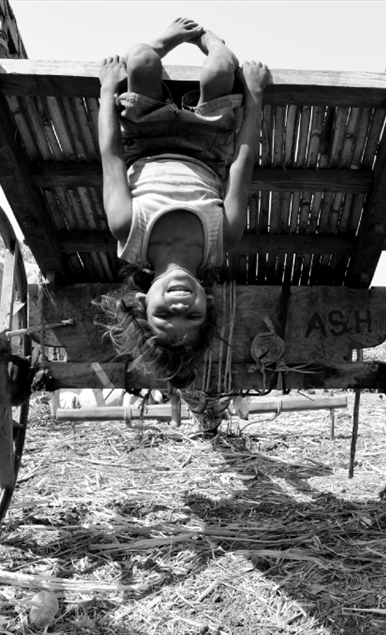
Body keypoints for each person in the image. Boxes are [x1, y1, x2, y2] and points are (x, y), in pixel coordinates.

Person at [97, 17, 271, 387]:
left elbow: (111, 157)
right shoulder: (222, 240)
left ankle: (167, 40)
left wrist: (108, 89)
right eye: (193, 318)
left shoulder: (127, 230)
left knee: (142, 59)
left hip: (146, 141)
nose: (180, 308)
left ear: (142, 305)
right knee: (221, 68)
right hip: (206, 149)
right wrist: (254, 96)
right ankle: (211, 38)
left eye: (164, 315)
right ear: (208, 303)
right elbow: (242, 164)